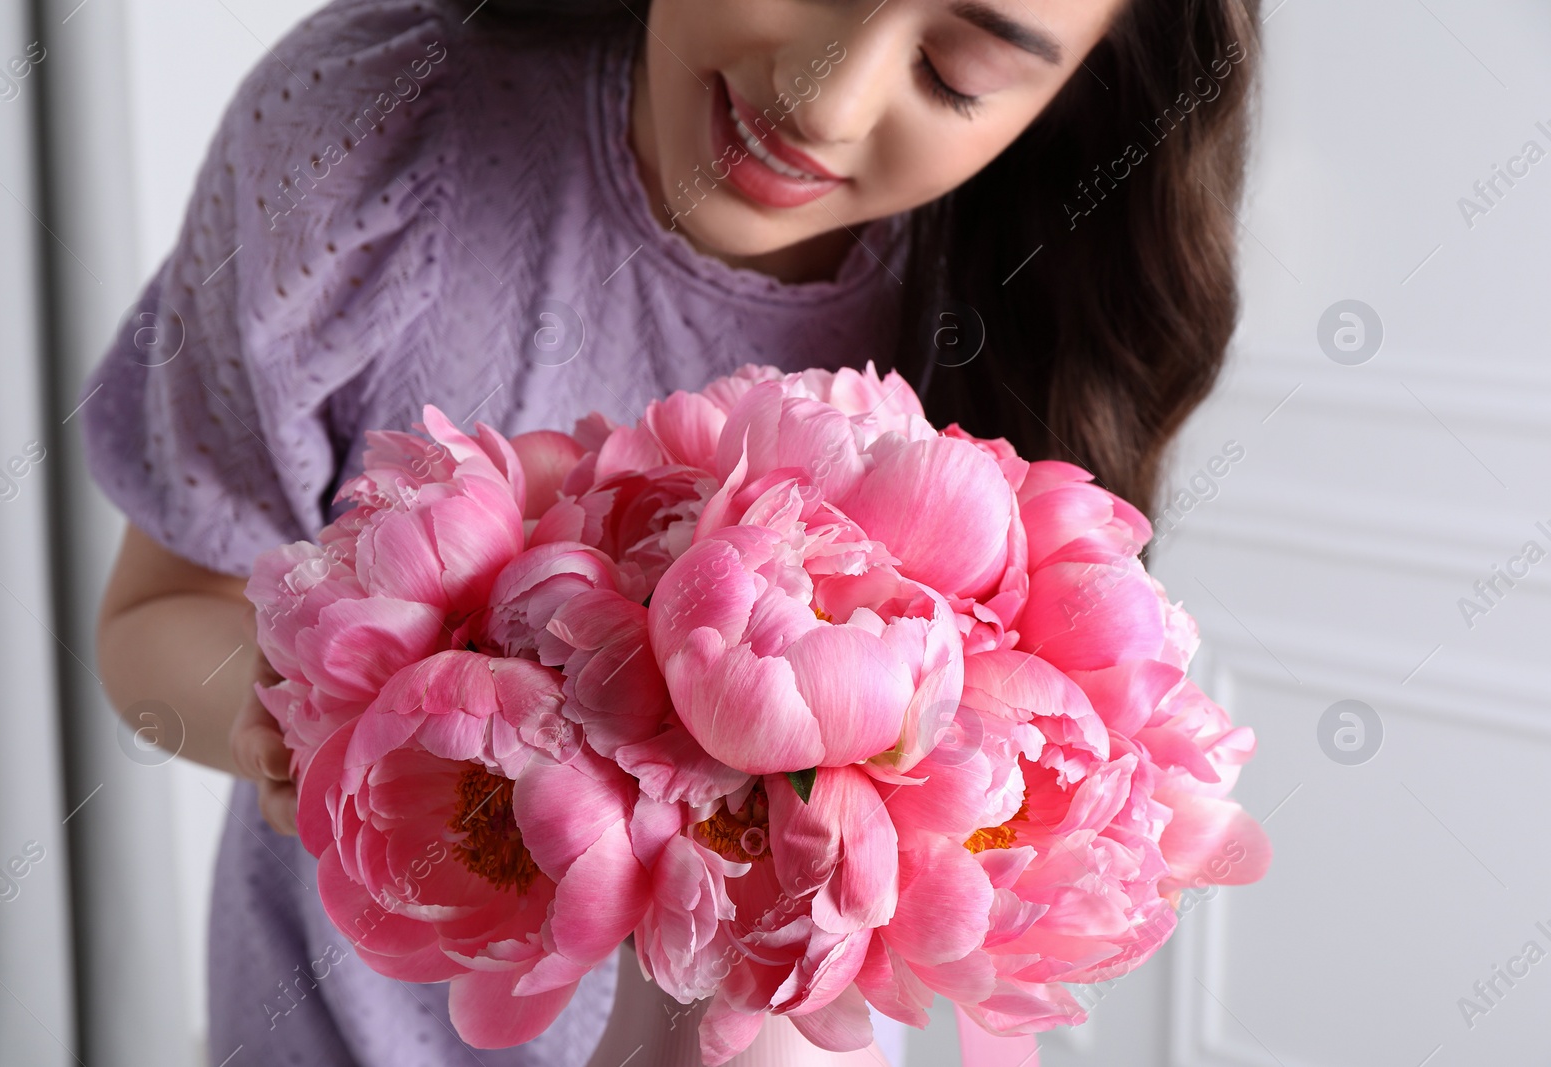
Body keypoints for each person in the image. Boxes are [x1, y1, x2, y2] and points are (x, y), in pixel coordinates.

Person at [83, 0, 1260, 1063]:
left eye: (955, 71)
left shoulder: (1027, 308)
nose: (826, 99)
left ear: (1075, 95)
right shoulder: (370, 134)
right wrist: (347, 728)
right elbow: (147, 624)